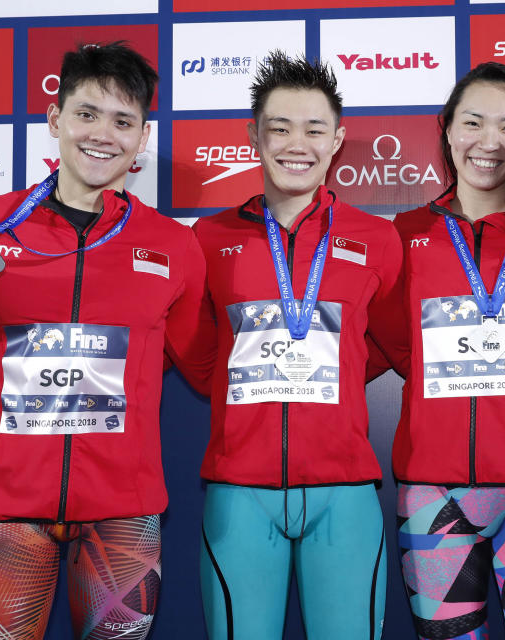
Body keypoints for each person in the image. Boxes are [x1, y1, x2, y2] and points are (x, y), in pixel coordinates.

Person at [0, 42, 208, 640]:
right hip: (5, 511)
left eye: (124, 121)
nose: (103, 134)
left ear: (142, 137)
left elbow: (205, 365)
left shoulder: (175, 245)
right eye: (87, 114)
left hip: (124, 515)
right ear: (54, 120)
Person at [182, 52, 401, 640]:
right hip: (239, 492)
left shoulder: (379, 240)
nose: (295, 144)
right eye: (279, 127)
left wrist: (340, 367)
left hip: (346, 491)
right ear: (254, 135)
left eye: (313, 129)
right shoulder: (207, 238)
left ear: (337, 141)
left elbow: (394, 342)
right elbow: (197, 347)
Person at [367, 62, 505, 640]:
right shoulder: (403, 232)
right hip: (433, 492)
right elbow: (388, 337)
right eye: (473, 122)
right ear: (446, 129)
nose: (489, 142)